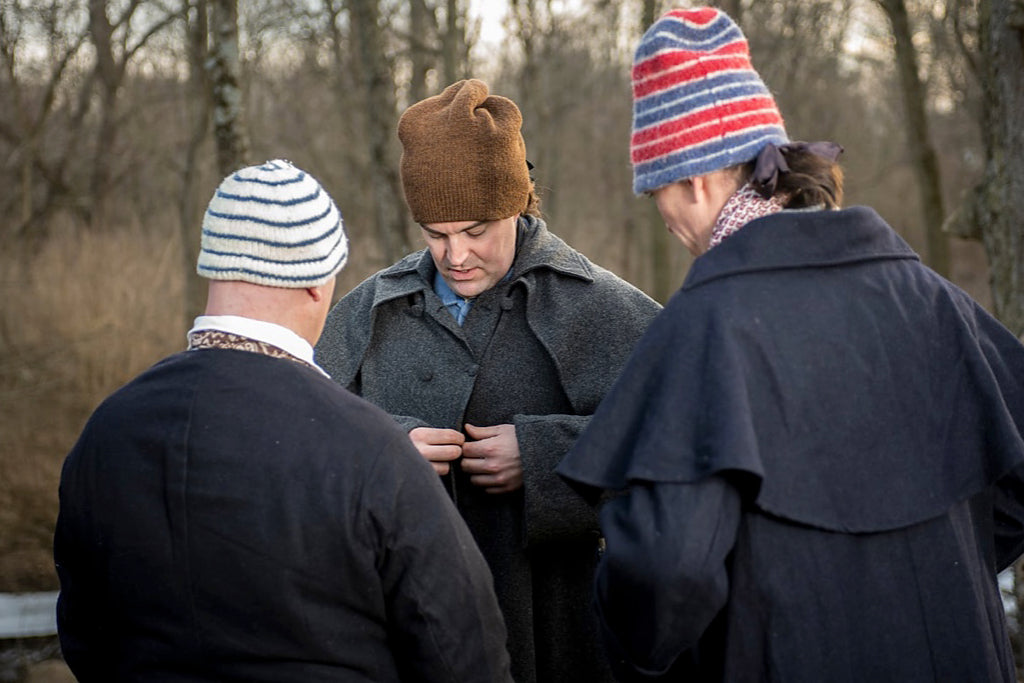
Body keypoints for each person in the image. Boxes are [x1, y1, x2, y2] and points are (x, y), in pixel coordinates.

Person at [556, 7, 1024, 682]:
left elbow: (665, 570)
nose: (660, 215)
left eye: (656, 190)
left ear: (694, 180)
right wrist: (947, 564)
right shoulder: (925, 294)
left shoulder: (706, 327)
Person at [54, 159, 512, 683]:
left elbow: (83, 635)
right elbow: (463, 653)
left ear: (213, 267)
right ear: (320, 284)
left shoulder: (106, 432)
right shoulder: (370, 450)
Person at [315, 79, 662, 683]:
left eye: (476, 230)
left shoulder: (601, 307)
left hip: (558, 628)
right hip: (399, 637)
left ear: (518, 204)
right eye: (436, 233)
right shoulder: (367, 310)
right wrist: (382, 450)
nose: (455, 255)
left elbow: (677, 443)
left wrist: (548, 457)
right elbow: (299, 437)